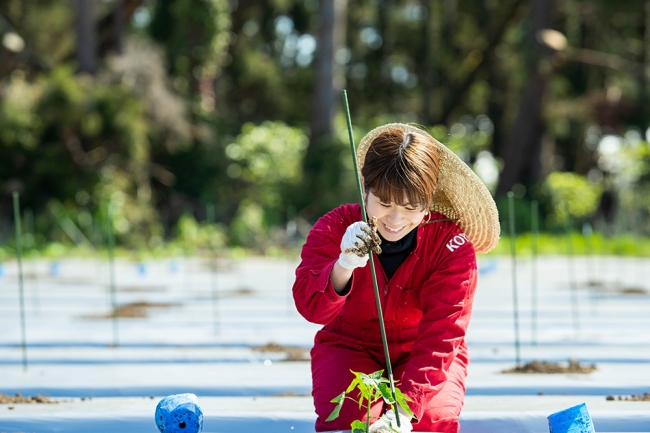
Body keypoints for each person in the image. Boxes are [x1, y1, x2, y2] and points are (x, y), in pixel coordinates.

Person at [292, 123, 500, 433]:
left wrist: (406, 408)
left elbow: (443, 334)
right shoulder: (336, 227)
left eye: (410, 207)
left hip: (424, 353)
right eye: (384, 203)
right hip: (350, 347)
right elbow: (312, 309)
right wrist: (343, 265)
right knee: (350, 421)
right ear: (365, 187)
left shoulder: (450, 245)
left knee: (431, 419)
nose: (395, 219)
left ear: (428, 200)